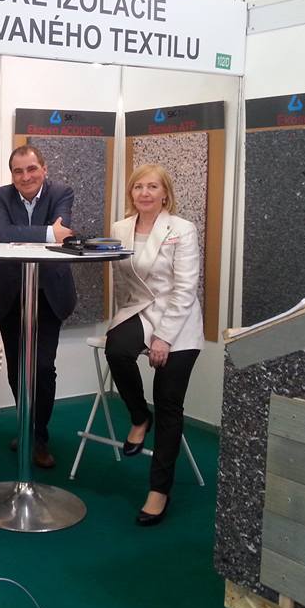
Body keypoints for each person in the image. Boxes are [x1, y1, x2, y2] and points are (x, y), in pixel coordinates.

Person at [104, 163, 204, 526]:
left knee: (168, 403)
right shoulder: (120, 228)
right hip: (140, 310)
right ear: (131, 193)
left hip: (179, 318)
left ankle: (159, 490)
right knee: (116, 348)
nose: (144, 193)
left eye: (152, 187)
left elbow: (185, 289)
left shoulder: (182, 229)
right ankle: (138, 416)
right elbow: (123, 281)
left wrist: (164, 338)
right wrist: (123, 319)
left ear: (165, 194)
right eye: (138, 187)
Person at [0, 145, 75, 468]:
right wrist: (49, 232)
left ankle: (39, 436)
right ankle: (26, 427)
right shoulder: (1, 195)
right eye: (18, 171)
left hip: (49, 294)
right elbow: (4, 233)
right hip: (10, 294)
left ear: (44, 169)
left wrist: (35, 235)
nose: (25, 176)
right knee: (17, 368)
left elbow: (62, 238)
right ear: (12, 174)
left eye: (32, 168)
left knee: (43, 367)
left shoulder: (62, 192)